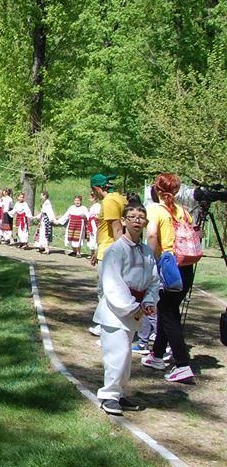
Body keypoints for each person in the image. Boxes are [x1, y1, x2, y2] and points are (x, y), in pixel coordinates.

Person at [94, 203, 158, 416]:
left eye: (141, 217)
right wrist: (132, 307)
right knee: (117, 353)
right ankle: (108, 395)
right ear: (123, 221)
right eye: (131, 217)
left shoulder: (146, 251)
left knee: (126, 356)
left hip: (135, 309)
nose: (137, 220)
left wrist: (148, 302)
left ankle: (118, 392)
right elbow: (112, 284)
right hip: (115, 312)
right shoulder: (115, 250)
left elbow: (152, 280)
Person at [141, 173, 196, 383]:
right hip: (186, 268)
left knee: (168, 313)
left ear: (156, 189)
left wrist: (150, 261)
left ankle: (182, 364)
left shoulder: (155, 209)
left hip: (168, 266)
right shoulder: (182, 211)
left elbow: (153, 235)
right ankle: (157, 355)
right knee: (168, 309)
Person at [88, 174, 128, 337]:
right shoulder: (119, 198)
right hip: (104, 248)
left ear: (97, 188)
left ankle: (106, 324)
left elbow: (117, 228)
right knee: (107, 289)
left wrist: (121, 253)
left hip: (110, 253)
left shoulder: (109, 201)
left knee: (105, 290)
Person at [33, 190, 55, 254]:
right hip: (43, 220)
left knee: (45, 234)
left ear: (45, 196)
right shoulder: (44, 203)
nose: (41, 197)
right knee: (41, 233)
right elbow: (42, 213)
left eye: (42, 195)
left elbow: (49, 212)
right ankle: (42, 247)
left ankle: (46, 249)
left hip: (46, 221)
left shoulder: (47, 203)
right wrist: (36, 217)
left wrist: (52, 219)